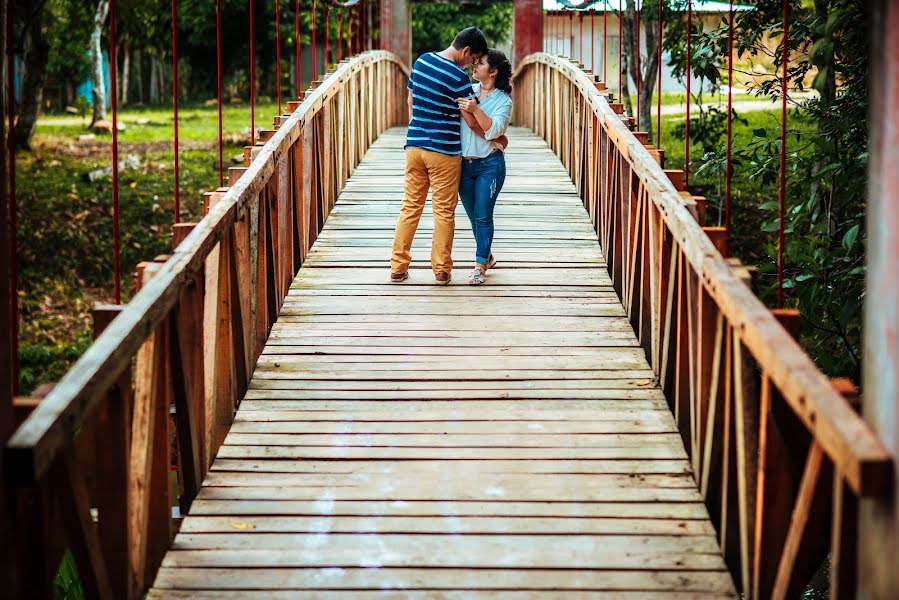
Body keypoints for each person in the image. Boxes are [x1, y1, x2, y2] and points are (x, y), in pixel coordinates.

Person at [390, 27, 489, 285]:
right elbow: (469, 120)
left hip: (414, 147)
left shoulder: (421, 61)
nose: (473, 65)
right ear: (466, 51)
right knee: (443, 211)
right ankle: (441, 270)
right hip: (444, 151)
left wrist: (418, 127)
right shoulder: (459, 79)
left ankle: (398, 268)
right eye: (474, 59)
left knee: (410, 206)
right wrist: (492, 136)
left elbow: (410, 100)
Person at [456, 49, 513, 285]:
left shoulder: (503, 100)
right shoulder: (467, 90)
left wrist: (475, 110)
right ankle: (487, 254)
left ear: (493, 71)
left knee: (483, 215)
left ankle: (480, 265)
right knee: (473, 217)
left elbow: (495, 131)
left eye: (480, 63)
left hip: (489, 164)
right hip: (463, 165)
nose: (474, 65)